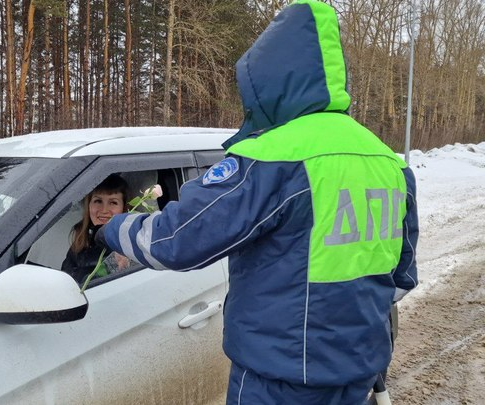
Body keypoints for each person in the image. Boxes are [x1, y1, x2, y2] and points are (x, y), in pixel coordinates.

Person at [96, 1, 419, 403]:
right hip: (358, 370)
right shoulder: (388, 160)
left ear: (271, 81)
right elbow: (402, 275)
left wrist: (111, 227)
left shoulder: (273, 157)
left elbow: (174, 241)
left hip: (280, 378)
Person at [61, 174, 131, 284]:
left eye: (113, 202)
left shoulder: (128, 247)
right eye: (98, 201)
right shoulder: (81, 238)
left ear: (124, 208)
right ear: (89, 205)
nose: (104, 210)